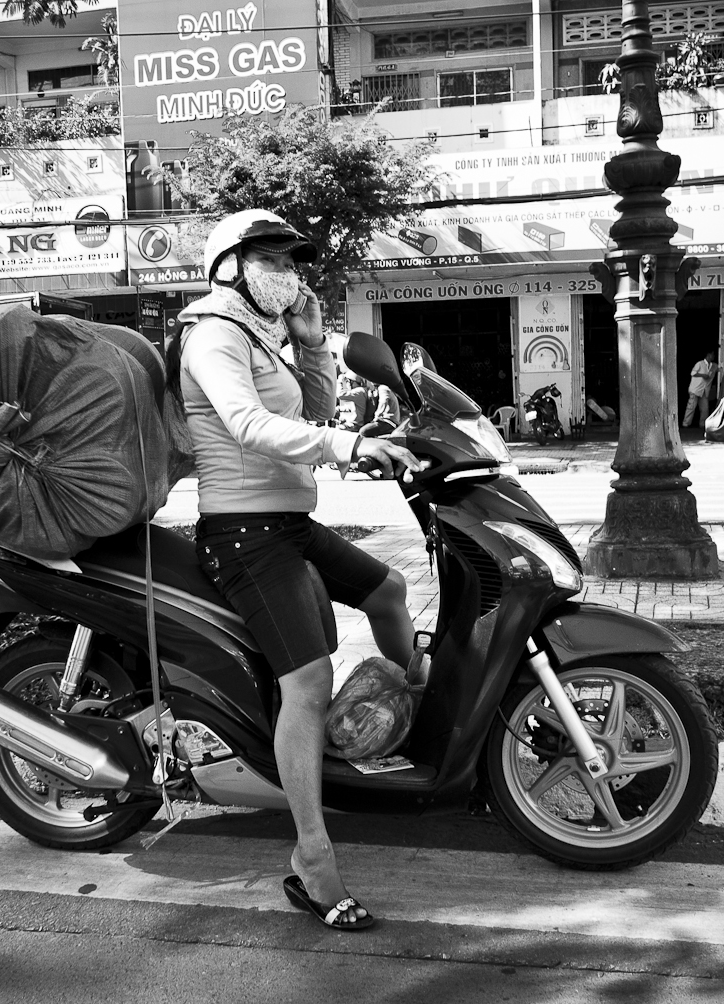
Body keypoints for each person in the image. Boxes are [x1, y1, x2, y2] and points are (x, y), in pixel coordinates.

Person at [172, 210, 425, 931]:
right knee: (308, 684)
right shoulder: (212, 335)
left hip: (288, 524)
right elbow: (250, 426)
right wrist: (344, 447)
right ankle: (311, 858)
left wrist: (313, 349)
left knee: (390, 590)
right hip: (244, 536)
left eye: (292, 260)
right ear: (229, 264)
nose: (288, 271)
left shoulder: (263, 338)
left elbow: (309, 411)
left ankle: (414, 714)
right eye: (272, 258)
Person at [683, 350, 717, 428]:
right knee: (691, 407)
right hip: (695, 389)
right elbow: (693, 373)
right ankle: (686, 423)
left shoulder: (713, 366)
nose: (713, 356)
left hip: (704, 391)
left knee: (705, 409)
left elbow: (719, 369)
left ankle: (702, 424)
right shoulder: (700, 363)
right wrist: (703, 375)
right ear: (708, 355)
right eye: (712, 355)